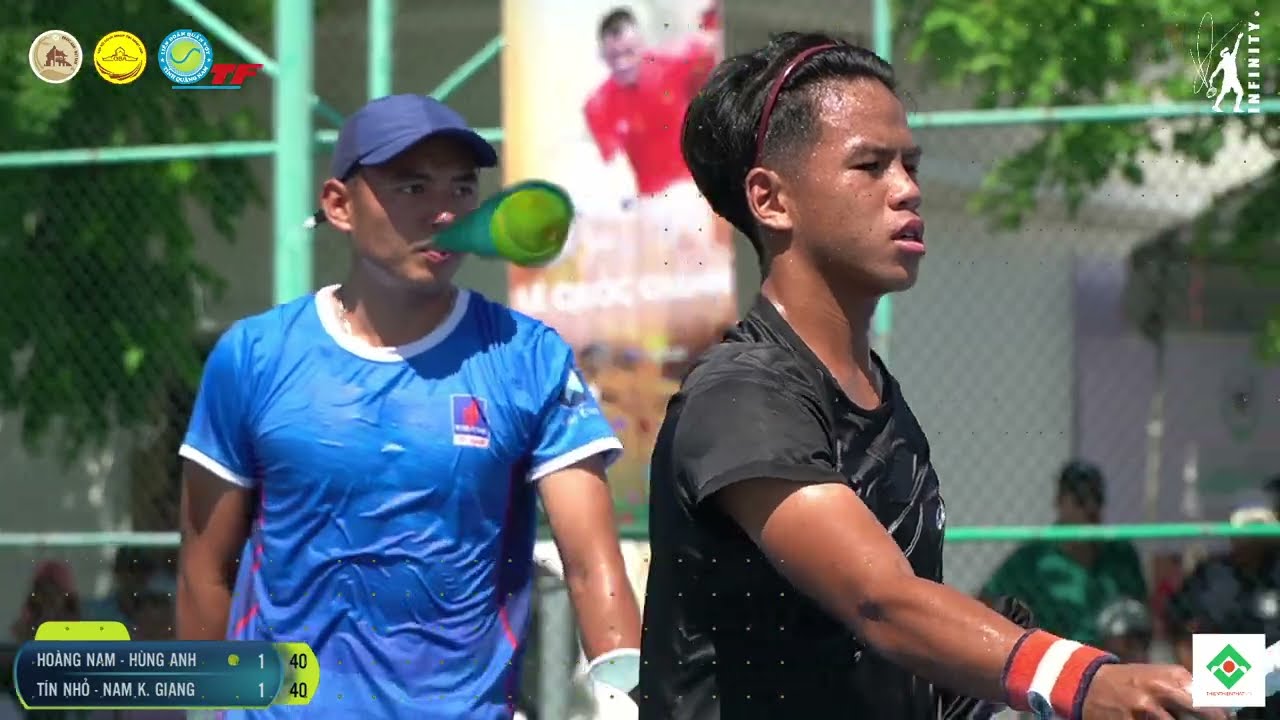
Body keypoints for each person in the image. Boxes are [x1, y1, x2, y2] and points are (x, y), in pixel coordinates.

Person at [636, 32, 1227, 720]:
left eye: (911, 164)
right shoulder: (741, 397)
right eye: (871, 165)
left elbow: (881, 653)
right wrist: (1080, 679)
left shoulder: (878, 393)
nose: (908, 189)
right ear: (771, 200)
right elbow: (881, 602)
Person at [177, 94, 643, 719]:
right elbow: (205, 575)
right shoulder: (253, 356)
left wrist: (627, 704)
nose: (445, 209)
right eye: (413, 186)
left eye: (462, 186)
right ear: (340, 204)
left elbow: (591, 568)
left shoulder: (528, 357)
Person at [584, 6, 729, 351]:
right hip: (648, 202)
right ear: (603, 55)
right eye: (614, 55)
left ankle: (712, 338)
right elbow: (612, 168)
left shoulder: (674, 63)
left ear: (643, 46)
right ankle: (671, 347)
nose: (623, 62)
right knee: (662, 280)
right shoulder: (598, 104)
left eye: (629, 52)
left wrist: (713, 16)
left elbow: (714, 41)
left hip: (689, 190)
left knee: (699, 261)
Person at [979, 460, 1148, 644]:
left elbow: (1143, 609)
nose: (1091, 509)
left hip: (1111, 660)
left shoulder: (1121, 553)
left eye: (1097, 498)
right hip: (1055, 659)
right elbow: (987, 600)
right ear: (1059, 502)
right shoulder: (1035, 558)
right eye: (1081, 499)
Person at [1168, 500, 1280, 719]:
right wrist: (1200, 686)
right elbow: (1181, 629)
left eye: (1260, 528)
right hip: (1228, 682)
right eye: (1247, 530)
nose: (1254, 538)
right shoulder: (1211, 575)